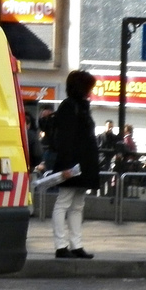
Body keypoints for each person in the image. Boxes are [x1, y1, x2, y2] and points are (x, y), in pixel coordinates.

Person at [50, 70, 100, 259]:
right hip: (76, 164)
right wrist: (67, 166)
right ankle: (62, 245)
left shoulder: (74, 106)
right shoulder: (71, 107)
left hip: (79, 163)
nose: (90, 91)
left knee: (74, 204)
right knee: (66, 203)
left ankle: (73, 245)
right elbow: (66, 139)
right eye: (89, 87)